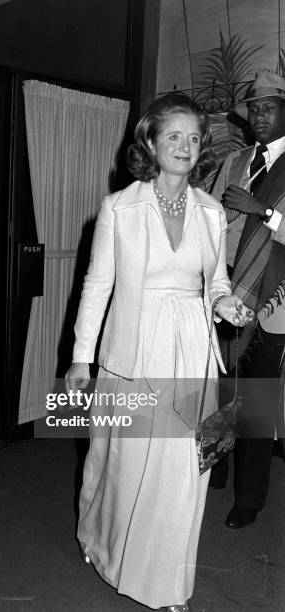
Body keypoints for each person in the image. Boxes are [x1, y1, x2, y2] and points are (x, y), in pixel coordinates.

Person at [65, 93, 251, 611]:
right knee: (124, 462)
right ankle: (102, 542)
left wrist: (227, 304)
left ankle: (167, 583)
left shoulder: (211, 211)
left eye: (193, 138)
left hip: (192, 349)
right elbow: (97, 285)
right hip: (136, 348)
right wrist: (82, 357)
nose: (185, 147)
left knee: (183, 469)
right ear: (149, 141)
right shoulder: (119, 208)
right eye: (174, 135)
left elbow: (214, 282)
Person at [210, 71, 285, 528]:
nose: (259, 115)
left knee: (256, 399)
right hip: (226, 292)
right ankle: (213, 469)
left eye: (269, 107)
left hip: (273, 297)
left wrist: (266, 212)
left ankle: (250, 498)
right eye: (253, 108)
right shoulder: (234, 161)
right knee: (220, 388)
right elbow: (211, 222)